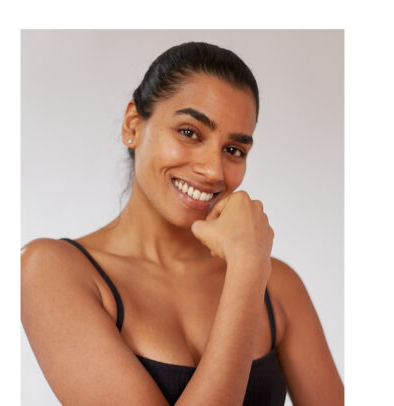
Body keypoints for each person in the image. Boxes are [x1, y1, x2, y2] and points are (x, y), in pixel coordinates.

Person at [21, 41, 344, 405]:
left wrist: (251, 267)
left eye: (233, 150)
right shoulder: (52, 270)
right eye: (189, 132)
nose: (213, 170)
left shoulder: (279, 286)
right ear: (132, 125)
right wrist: (246, 272)